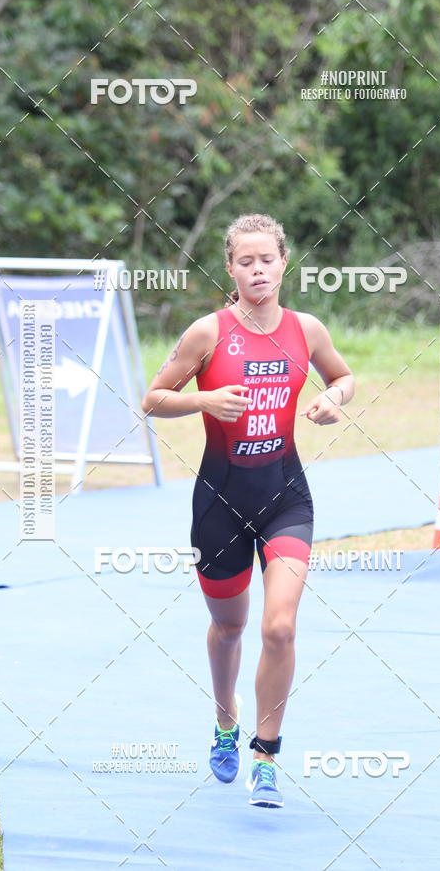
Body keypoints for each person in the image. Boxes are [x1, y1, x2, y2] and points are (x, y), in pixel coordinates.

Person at [141, 213, 354, 808]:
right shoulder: (207, 333)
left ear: (284, 262)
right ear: (230, 269)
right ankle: (224, 722)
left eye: (267, 259)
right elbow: (153, 398)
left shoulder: (306, 329)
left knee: (279, 627)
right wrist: (204, 399)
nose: (258, 270)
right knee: (230, 628)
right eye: (246, 261)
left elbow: (343, 377)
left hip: (286, 497)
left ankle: (266, 754)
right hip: (219, 502)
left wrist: (333, 399)